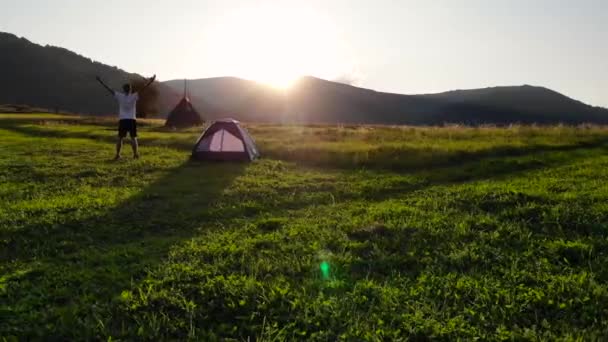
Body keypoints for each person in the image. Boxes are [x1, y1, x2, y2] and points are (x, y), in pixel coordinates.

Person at [95, 75, 156, 160]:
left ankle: (117, 155)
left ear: (123, 90)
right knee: (133, 138)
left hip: (123, 120)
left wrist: (100, 81)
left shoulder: (120, 96)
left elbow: (109, 90)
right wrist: (150, 82)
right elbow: (143, 89)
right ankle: (135, 155)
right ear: (130, 89)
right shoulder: (134, 96)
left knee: (120, 138)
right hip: (131, 120)